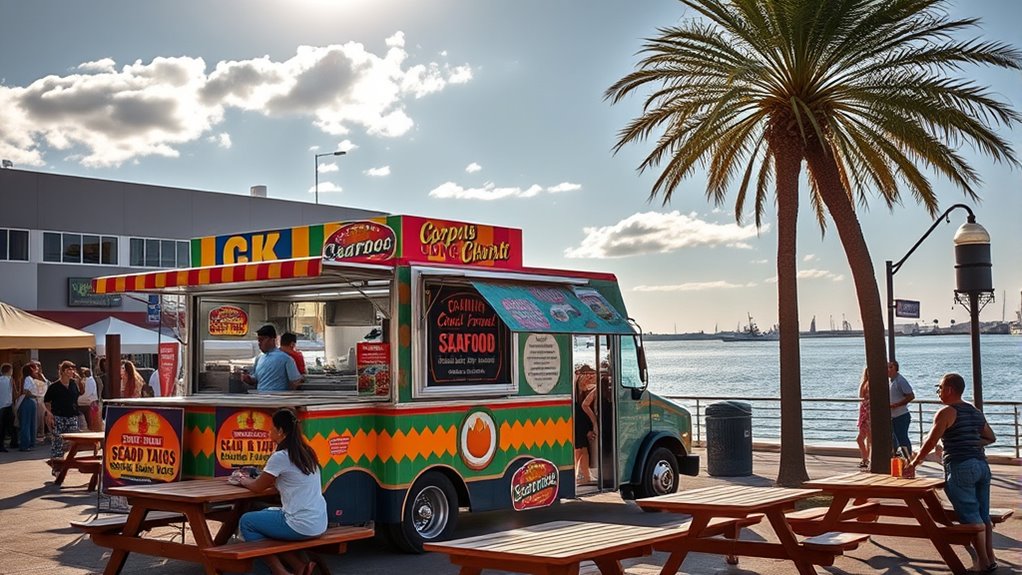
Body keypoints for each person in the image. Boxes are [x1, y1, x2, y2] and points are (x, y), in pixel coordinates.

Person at [908, 373, 996, 573]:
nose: (938, 392)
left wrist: (914, 463)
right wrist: (972, 442)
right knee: (983, 515)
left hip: (961, 466)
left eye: (939, 388)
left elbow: (930, 442)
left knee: (971, 518)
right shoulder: (974, 411)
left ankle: (982, 563)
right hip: (982, 466)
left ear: (949, 390)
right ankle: (990, 559)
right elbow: (990, 437)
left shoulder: (946, 412)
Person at [236, 408, 327, 575]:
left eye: (272, 428)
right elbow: (289, 482)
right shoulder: (307, 452)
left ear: (280, 431)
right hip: (319, 521)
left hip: (300, 523)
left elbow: (257, 487)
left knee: (247, 521)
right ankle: (300, 566)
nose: (269, 431)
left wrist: (241, 480)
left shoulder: (281, 456)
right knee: (264, 517)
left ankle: (279, 571)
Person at [44, 360, 82, 467]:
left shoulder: (74, 384)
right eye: (69, 369)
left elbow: (78, 396)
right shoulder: (54, 386)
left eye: (73, 369)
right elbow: (46, 401)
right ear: (63, 371)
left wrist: (80, 381)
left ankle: (65, 462)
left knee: (72, 442)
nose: (72, 371)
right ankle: (57, 467)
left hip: (72, 416)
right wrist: (49, 414)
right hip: (58, 416)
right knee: (57, 442)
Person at [242, 325, 301, 393]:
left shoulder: (286, 359)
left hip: (278, 399)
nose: (259, 343)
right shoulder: (259, 358)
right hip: (260, 398)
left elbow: (295, 382)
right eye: (258, 340)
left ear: (272, 340)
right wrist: (248, 379)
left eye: (262, 340)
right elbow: (255, 379)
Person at [573, 365, 597, 484]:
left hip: (579, 419)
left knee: (582, 449)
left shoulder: (579, 386)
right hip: (581, 420)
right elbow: (583, 407)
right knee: (581, 449)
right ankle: (582, 476)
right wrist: (592, 424)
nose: (590, 376)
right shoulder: (582, 389)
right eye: (587, 374)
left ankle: (582, 475)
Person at [888, 360, 915, 455]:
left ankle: (908, 460)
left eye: (889, 367)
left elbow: (911, 396)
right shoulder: (890, 381)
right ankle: (897, 460)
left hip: (901, 415)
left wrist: (897, 405)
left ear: (894, 368)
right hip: (893, 416)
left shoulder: (900, 380)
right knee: (894, 440)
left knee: (902, 439)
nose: (886, 369)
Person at [17, 363, 40, 451]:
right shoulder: (27, 379)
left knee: (31, 423)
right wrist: (35, 395)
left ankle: (29, 443)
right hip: (28, 401)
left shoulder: (30, 379)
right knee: (26, 423)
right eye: (35, 368)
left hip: (31, 401)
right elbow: (26, 391)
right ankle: (25, 444)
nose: (37, 370)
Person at [856, 367, 870, 469]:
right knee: (862, 439)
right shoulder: (865, 383)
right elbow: (862, 398)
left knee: (867, 439)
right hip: (865, 414)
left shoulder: (868, 384)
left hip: (868, 414)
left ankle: (866, 459)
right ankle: (865, 459)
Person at [0, 364, 13, 452]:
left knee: (1, 427)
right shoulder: (10, 380)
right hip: (8, 405)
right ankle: (2, 445)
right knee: (5, 427)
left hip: (1, 405)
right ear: (9, 371)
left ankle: (1, 445)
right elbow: (13, 392)